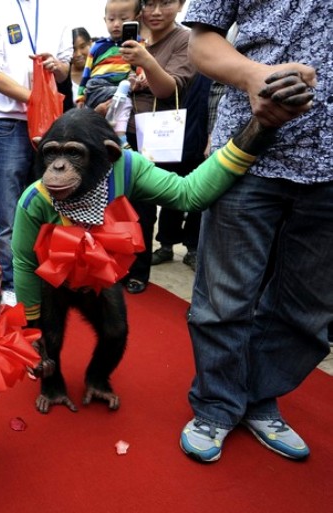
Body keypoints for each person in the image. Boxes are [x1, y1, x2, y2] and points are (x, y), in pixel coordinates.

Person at [179, 0, 331, 463]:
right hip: (247, 153)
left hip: (330, 169)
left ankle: (257, 395)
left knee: (310, 308)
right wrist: (252, 76)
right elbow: (201, 42)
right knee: (223, 299)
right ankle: (218, 404)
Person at [0, 0, 73, 303]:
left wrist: (57, 66)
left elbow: (66, 69)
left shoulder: (56, 9)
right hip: (9, 122)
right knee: (9, 211)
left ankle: (52, 277)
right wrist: (35, 98)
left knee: (55, 203)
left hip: (52, 125)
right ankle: (14, 285)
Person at [111, 0, 196, 294]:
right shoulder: (127, 38)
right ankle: (112, 263)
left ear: (181, 4)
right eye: (149, 4)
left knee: (143, 207)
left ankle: (138, 269)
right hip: (118, 131)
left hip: (153, 136)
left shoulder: (184, 39)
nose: (157, 11)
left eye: (166, 2)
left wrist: (146, 60)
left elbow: (169, 89)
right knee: (114, 203)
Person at [149, 73, 212, 272]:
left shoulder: (218, 74)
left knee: (200, 198)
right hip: (179, 139)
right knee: (172, 195)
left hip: (205, 142)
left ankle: (192, 249)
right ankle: (166, 245)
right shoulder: (193, 68)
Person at [75, 0, 142, 115]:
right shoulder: (97, 46)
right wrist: (80, 97)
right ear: (105, 20)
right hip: (97, 87)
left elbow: (141, 68)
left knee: (126, 95)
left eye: (123, 19)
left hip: (120, 87)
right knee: (122, 96)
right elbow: (86, 74)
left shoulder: (138, 45)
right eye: (111, 19)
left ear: (136, 19)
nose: (116, 24)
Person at [59, 27, 93, 111]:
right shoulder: (63, 77)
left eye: (82, 47)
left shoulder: (100, 70)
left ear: (90, 44)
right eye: (74, 49)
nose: (78, 54)